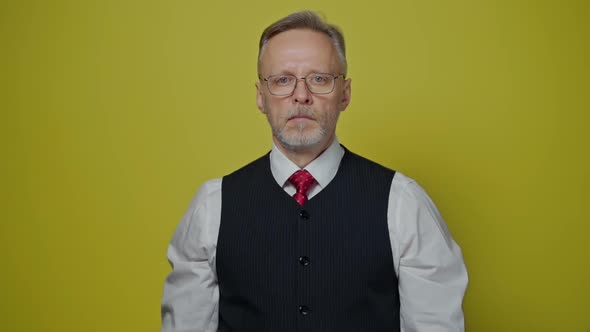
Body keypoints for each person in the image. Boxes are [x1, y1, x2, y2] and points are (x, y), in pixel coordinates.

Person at [161, 10, 468, 332]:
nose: (301, 95)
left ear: (345, 94)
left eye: (319, 79)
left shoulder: (404, 202)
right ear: (261, 97)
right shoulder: (212, 205)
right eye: (282, 80)